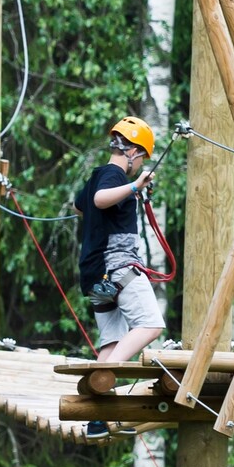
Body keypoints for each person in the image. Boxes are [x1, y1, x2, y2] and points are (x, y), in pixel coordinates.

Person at [75, 116, 166, 365]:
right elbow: (99, 200)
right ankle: (105, 374)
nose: (138, 165)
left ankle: (96, 389)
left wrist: (129, 192)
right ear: (133, 152)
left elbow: (80, 207)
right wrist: (135, 186)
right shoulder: (115, 175)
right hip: (116, 270)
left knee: (113, 342)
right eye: (141, 158)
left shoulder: (97, 175)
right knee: (150, 324)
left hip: (96, 277)